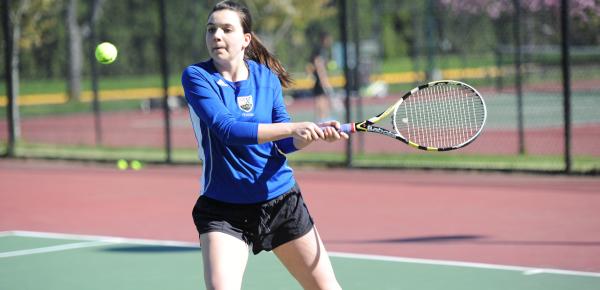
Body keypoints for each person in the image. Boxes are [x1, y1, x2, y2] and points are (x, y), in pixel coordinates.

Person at [181, 1, 347, 289]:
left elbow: (283, 142)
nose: (216, 35)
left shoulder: (266, 78)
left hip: (280, 201)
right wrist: (294, 127)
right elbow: (228, 130)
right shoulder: (197, 77)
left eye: (226, 29)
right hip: (224, 208)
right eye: (211, 29)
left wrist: (310, 135)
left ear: (246, 39)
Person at [308, 31, 335, 122]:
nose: (330, 41)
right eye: (329, 39)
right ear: (324, 39)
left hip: (320, 78)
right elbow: (318, 64)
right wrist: (323, 79)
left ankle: (324, 118)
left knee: (323, 97)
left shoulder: (322, 49)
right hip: (320, 78)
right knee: (320, 98)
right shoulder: (320, 49)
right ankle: (322, 120)